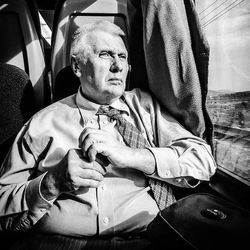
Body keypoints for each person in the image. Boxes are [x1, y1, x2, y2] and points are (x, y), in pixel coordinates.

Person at [0, 20, 216, 250]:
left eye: (122, 57)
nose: (118, 66)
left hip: (147, 239)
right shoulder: (42, 123)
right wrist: (51, 183)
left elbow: (203, 161)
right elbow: (2, 203)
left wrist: (132, 155)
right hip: (58, 243)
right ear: (77, 66)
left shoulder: (146, 107)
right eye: (105, 54)